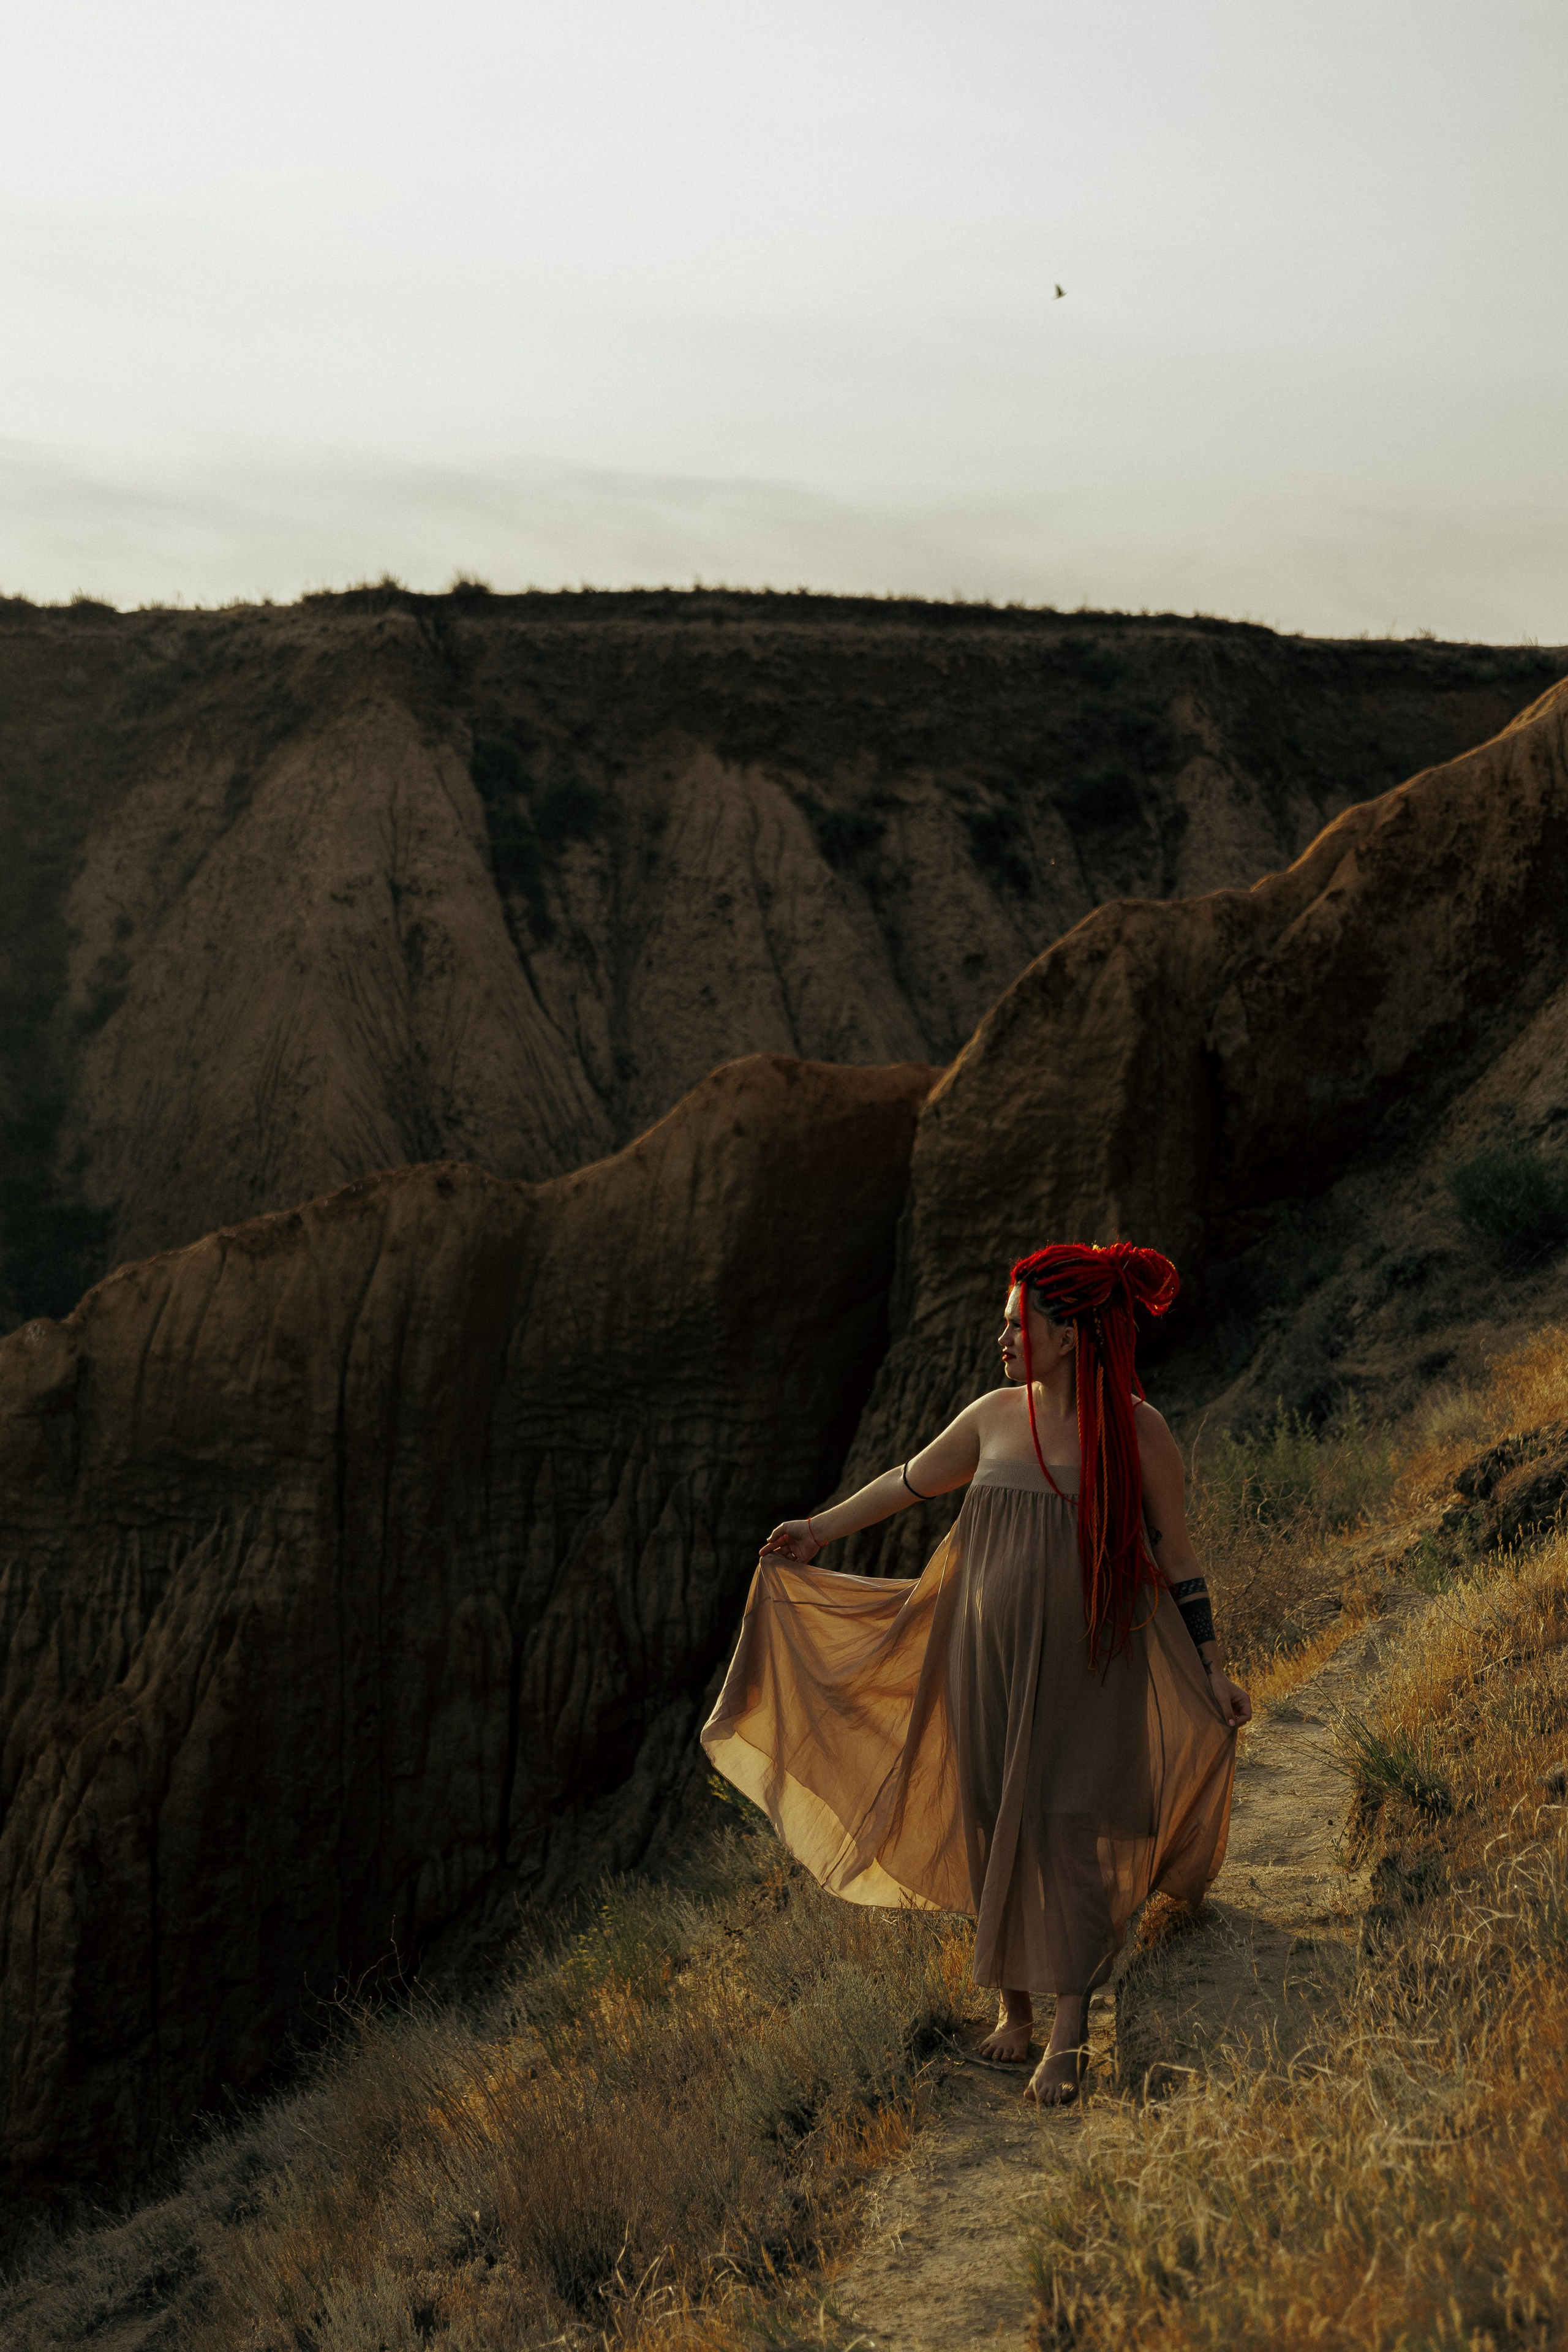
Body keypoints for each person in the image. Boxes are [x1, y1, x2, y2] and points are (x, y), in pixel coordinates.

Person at [702, 1241, 1251, 2107]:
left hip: (1094, 1665)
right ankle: (1016, 2013)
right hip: (982, 1658)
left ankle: (1069, 2032)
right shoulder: (994, 1416)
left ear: (1067, 1333)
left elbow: (1177, 1554)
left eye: (1015, 1324)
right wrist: (817, 1529)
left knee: (1069, 1827)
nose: (1001, 1340)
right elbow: (906, 1483)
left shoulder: (1140, 1431)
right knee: (994, 1819)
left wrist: (1214, 1667)